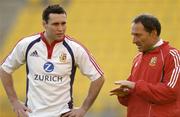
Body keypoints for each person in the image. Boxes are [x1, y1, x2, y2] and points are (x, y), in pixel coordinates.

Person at [0, 4, 105, 117]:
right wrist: (14, 101)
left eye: (63, 23)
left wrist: (83, 108)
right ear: (44, 24)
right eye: (55, 24)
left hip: (62, 114)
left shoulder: (75, 48)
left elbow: (99, 77)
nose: (60, 28)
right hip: (32, 114)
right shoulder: (27, 44)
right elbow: (4, 69)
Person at [110, 14, 180, 117]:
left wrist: (136, 86)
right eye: (133, 35)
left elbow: (170, 92)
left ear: (153, 33)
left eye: (138, 35)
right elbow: (135, 96)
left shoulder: (172, 56)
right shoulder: (137, 58)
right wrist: (124, 95)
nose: (133, 40)